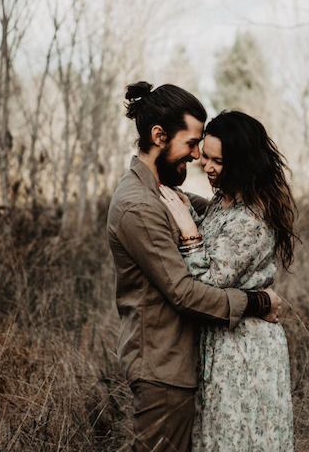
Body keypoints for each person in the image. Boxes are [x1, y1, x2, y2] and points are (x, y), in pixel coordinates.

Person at [107, 82, 282, 452]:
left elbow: (225, 213)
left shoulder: (164, 192)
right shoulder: (140, 206)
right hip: (163, 367)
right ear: (159, 136)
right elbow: (184, 293)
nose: (197, 156)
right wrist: (257, 303)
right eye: (190, 144)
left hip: (185, 363)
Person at [159, 110, 297, 452]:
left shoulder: (251, 219)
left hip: (244, 351)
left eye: (217, 161)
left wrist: (189, 231)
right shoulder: (223, 199)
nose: (205, 166)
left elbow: (207, 284)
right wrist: (185, 205)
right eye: (205, 156)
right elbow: (215, 241)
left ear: (241, 163)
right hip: (221, 340)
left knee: (236, 440)